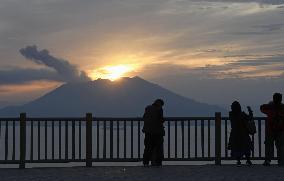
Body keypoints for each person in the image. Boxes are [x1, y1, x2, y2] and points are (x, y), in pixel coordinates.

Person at [260, 93, 284, 166]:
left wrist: (270, 104)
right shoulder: (283, 107)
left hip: (270, 130)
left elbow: (262, 108)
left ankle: (268, 160)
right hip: (281, 129)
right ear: (281, 99)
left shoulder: (270, 107)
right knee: (281, 146)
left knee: (269, 145)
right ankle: (281, 161)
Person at [228, 101, 253, 166]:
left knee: (236, 147)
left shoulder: (231, 114)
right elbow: (250, 117)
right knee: (246, 147)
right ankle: (248, 160)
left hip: (235, 134)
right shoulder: (242, 114)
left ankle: (238, 161)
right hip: (244, 133)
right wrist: (250, 110)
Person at [142, 99, 165, 166]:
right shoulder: (159, 109)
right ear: (160, 104)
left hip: (148, 131)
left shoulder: (148, 108)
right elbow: (161, 119)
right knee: (158, 148)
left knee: (148, 147)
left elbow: (144, 117)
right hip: (157, 132)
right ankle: (158, 162)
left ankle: (145, 162)